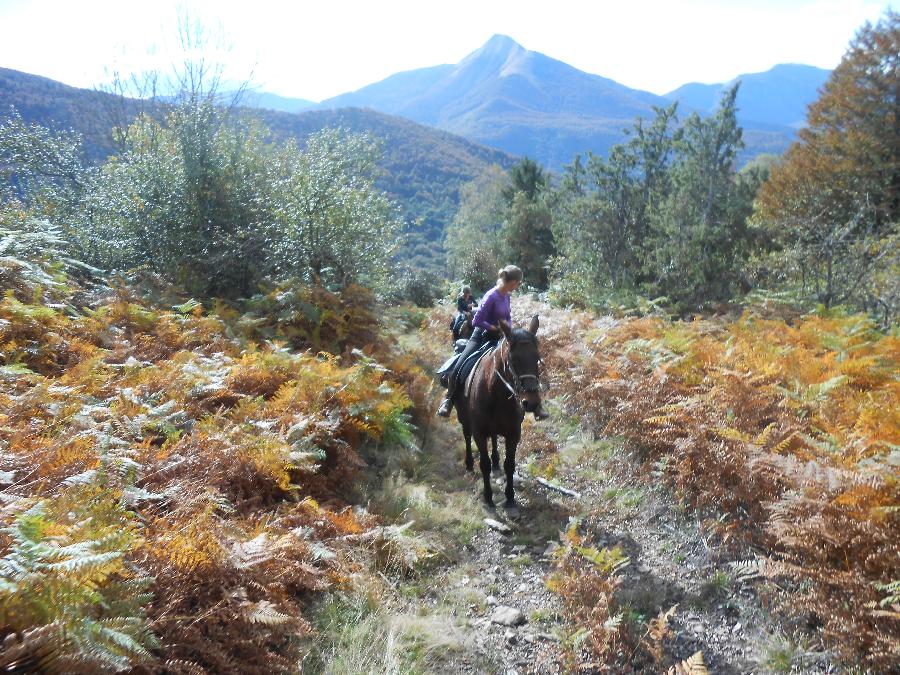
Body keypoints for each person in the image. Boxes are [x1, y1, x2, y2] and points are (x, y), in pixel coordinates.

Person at [437, 265, 549, 420]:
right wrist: (494, 327)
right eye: (518, 283)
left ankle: (536, 406)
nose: (518, 286)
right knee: (460, 365)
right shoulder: (491, 295)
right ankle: (448, 400)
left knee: (524, 363)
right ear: (513, 282)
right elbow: (477, 320)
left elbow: (507, 318)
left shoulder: (507, 296)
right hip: (481, 336)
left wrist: (508, 331)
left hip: (500, 337)